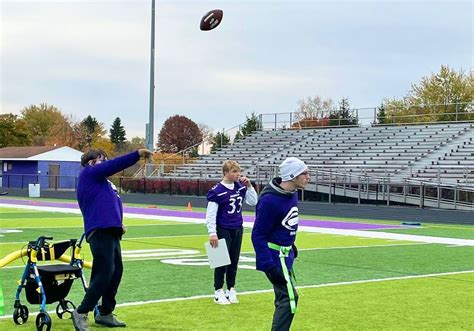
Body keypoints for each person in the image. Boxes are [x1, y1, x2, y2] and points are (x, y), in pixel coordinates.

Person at [72, 148, 153, 331]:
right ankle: (81, 311)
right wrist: (137, 154)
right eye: (102, 159)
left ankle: (105, 312)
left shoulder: (104, 183)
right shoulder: (89, 174)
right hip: (99, 231)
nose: (106, 162)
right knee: (105, 272)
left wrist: (119, 223)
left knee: (116, 272)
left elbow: (112, 204)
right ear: (91, 162)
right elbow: (114, 165)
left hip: (111, 231)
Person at [251, 157, 310, 331]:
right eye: (304, 173)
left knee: (284, 299)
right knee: (289, 299)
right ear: (293, 176)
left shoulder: (292, 193)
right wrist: (269, 266)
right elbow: (258, 235)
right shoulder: (270, 200)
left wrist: (290, 244)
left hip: (285, 254)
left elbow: (284, 224)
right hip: (275, 257)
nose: (308, 177)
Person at [206, 160, 258, 304]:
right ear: (226, 173)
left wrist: (250, 186)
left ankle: (231, 289)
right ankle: (218, 291)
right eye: (234, 171)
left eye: (238, 171)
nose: (238, 174)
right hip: (222, 227)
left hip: (237, 226)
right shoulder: (217, 191)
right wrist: (212, 232)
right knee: (220, 261)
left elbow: (253, 202)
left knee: (234, 261)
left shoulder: (240, 187)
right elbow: (210, 214)